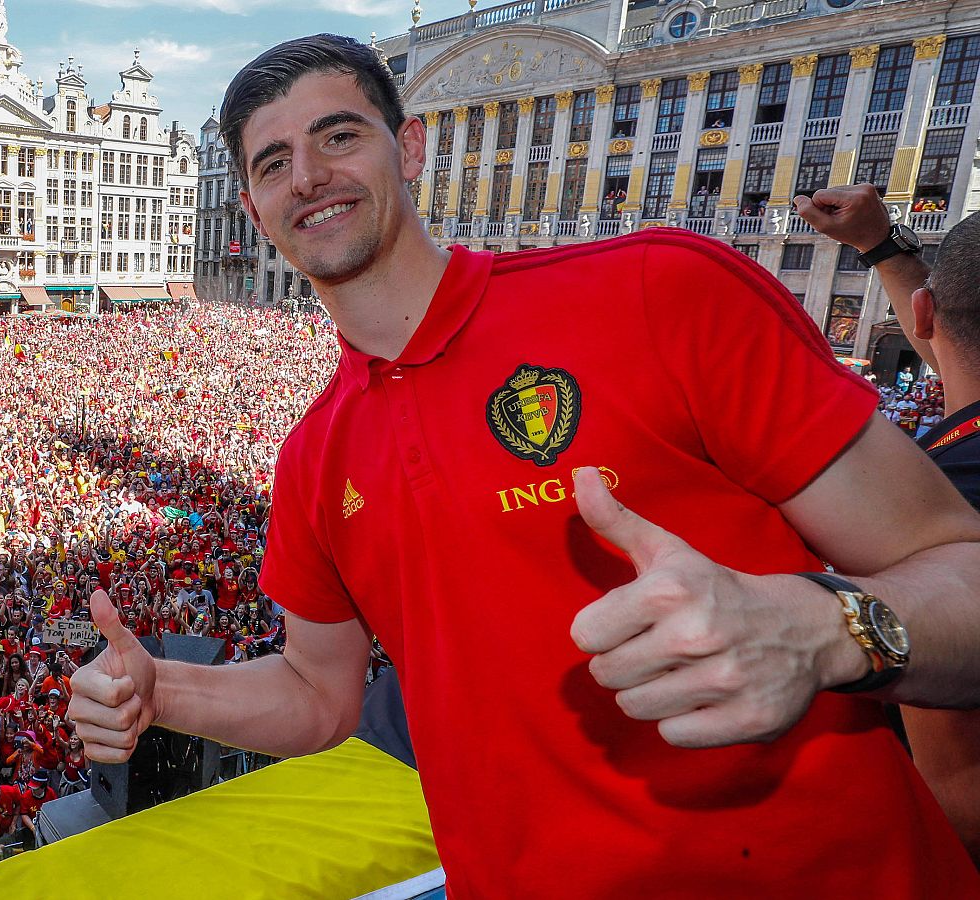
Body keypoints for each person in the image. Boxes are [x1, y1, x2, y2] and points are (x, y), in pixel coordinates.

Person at [68, 34, 980, 898]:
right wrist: (163, 688)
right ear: (254, 205)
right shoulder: (315, 456)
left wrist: (828, 631)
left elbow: (961, 571)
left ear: (411, 148)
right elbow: (316, 696)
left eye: (337, 135)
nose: (306, 176)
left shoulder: (659, 292)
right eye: (272, 164)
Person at [797, 183, 980, 864]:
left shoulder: (943, 506)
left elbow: (955, 782)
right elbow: (956, 350)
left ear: (926, 313)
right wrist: (883, 248)